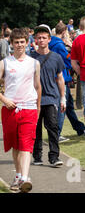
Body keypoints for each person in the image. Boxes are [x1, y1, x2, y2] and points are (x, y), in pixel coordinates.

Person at [0, 28, 41, 193]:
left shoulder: (34, 63)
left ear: (27, 42)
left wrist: (38, 107)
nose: (19, 45)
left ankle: (25, 178)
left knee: (26, 145)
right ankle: (18, 175)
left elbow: (38, 86)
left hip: (29, 108)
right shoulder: (5, 63)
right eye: (16, 42)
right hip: (10, 109)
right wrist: (4, 99)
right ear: (11, 44)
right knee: (15, 145)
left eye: (22, 42)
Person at [30, 25, 65, 168]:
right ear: (35, 40)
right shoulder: (30, 58)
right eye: (39, 37)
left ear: (49, 39)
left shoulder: (56, 57)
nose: (41, 40)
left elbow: (60, 78)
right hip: (33, 99)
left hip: (51, 97)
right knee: (36, 129)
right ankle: (37, 156)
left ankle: (54, 156)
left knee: (52, 127)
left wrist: (63, 98)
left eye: (44, 37)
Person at [49, 22, 85, 141]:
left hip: (59, 77)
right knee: (63, 107)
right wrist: (71, 45)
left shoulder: (52, 43)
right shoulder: (59, 45)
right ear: (64, 32)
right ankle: (57, 134)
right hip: (61, 78)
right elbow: (69, 59)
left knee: (69, 106)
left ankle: (80, 128)